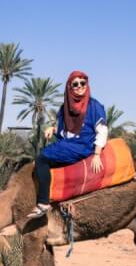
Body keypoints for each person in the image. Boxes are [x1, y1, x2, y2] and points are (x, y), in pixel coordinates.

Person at [26, 70, 108, 219]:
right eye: (75, 84)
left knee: (41, 159)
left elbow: (102, 130)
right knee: (45, 160)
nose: (79, 86)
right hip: (68, 143)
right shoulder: (66, 108)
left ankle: (43, 203)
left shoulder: (94, 106)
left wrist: (96, 154)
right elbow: (66, 131)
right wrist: (53, 129)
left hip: (82, 145)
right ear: (69, 87)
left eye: (82, 83)